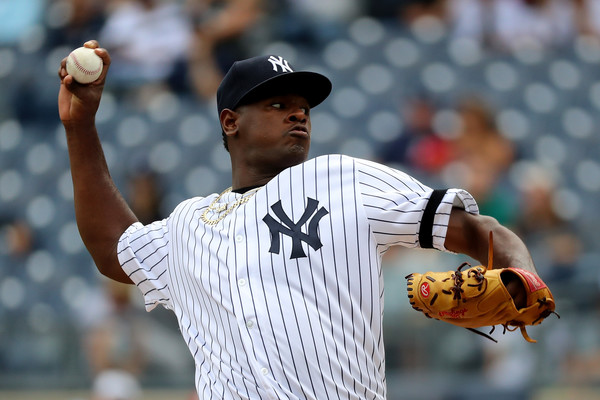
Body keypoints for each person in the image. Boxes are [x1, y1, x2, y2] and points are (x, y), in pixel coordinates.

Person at [58, 40, 543, 399]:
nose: (298, 115)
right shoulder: (188, 223)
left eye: (303, 107)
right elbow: (114, 248)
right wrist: (80, 126)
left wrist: (522, 275)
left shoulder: (344, 178)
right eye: (278, 105)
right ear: (231, 122)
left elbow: (481, 231)